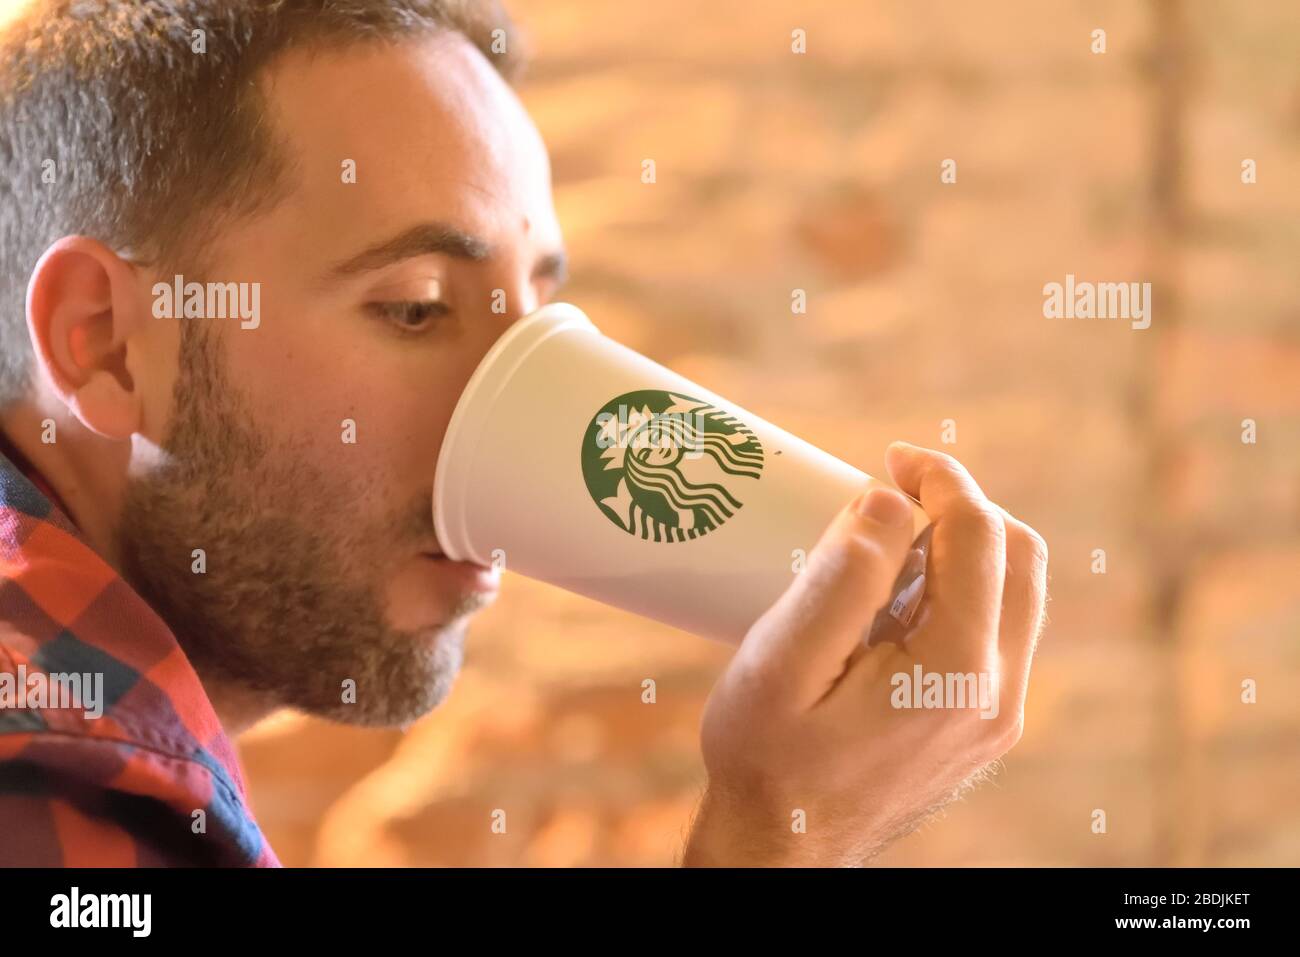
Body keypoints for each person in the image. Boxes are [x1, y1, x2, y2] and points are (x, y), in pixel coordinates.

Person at [0, 0, 1048, 867]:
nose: (523, 402)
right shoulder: (64, 773)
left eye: (541, 311)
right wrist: (781, 835)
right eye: (415, 306)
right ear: (106, 344)